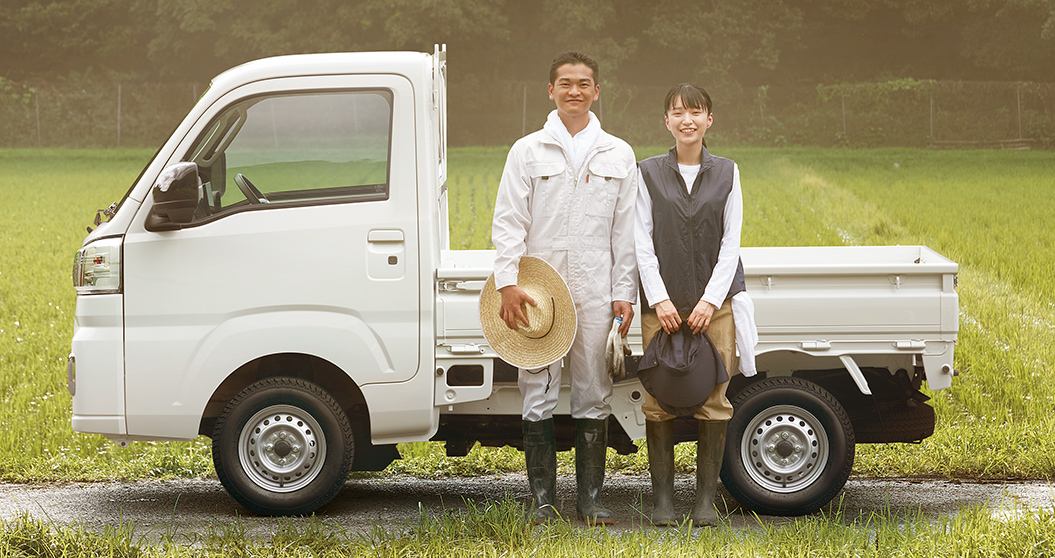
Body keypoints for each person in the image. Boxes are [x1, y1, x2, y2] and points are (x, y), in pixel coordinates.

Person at [491, 51, 638, 525]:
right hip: (540, 289)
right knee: (538, 387)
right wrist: (508, 284)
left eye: (584, 83)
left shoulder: (617, 152)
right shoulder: (528, 150)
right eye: (565, 83)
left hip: (596, 288)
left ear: (597, 91)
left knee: (594, 390)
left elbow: (625, 231)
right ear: (550, 91)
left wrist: (623, 293)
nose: (575, 91)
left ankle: (591, 499)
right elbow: (509, 221)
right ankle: (542, 501)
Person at [635, 83, 758, 527]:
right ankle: (663, 501)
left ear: (710, 120)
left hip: (716, 307)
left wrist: (709, 300)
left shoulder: (728, 171)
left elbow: (732, 244)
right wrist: (660, 299)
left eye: (696, 111)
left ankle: (705, 500)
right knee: (660, 399)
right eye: (677, 112)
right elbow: (640, 242)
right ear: (666, 121)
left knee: (713, 400)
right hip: (661, 309)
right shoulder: (646, 172)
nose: (687, 120)